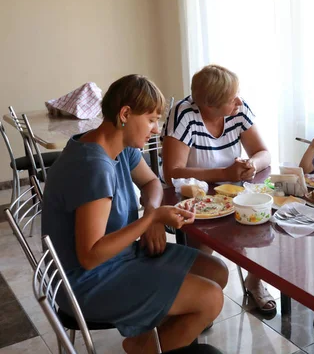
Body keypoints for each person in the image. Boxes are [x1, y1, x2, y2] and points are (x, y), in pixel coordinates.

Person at [42, 75, 229, 354]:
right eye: (152, 119)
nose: (156, 130)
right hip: (86, 282)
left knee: (217, 271)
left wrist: (152, 211)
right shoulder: (93, 167)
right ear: (126, 114)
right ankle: (144, 347)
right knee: (210, 298)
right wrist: (149, 221)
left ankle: (154, 339)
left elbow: (152, 182)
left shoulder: (116, 145)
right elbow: (90, 256)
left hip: (122, 256)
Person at [161, 64, 276, 315]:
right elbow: (173, 173)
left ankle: (254, 281)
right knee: (205, 243)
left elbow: (263, 153)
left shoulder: (238, 108)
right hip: (196, 194)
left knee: (264, 223)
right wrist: (225, 173)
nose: (238, 101)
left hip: (233, 188)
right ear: (209, 106)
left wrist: (251, 165)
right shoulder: (184, 114)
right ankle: (199, 301)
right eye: (231, 99)